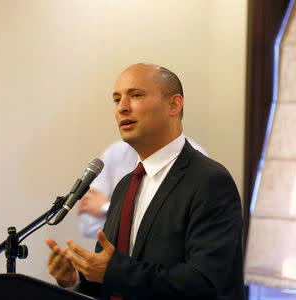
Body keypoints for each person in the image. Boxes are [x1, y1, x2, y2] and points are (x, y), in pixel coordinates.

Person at [46, 63, 244, 299]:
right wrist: (72, 280)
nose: (122, 108)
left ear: (174, 104)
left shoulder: (210, 181)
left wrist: (114, 271)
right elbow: (109, 281)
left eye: (135, 95)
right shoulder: (125, 186)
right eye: (117, 99)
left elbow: (205, 282)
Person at [78, 139, 208, 240]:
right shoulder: (115, 153)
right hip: (114, 265)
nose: (122, 108)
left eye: (137, 102)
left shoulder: (195, 159)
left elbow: (171, 231)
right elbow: (88, 223)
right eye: (117, 102)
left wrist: (106, 208)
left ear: (173, 105)